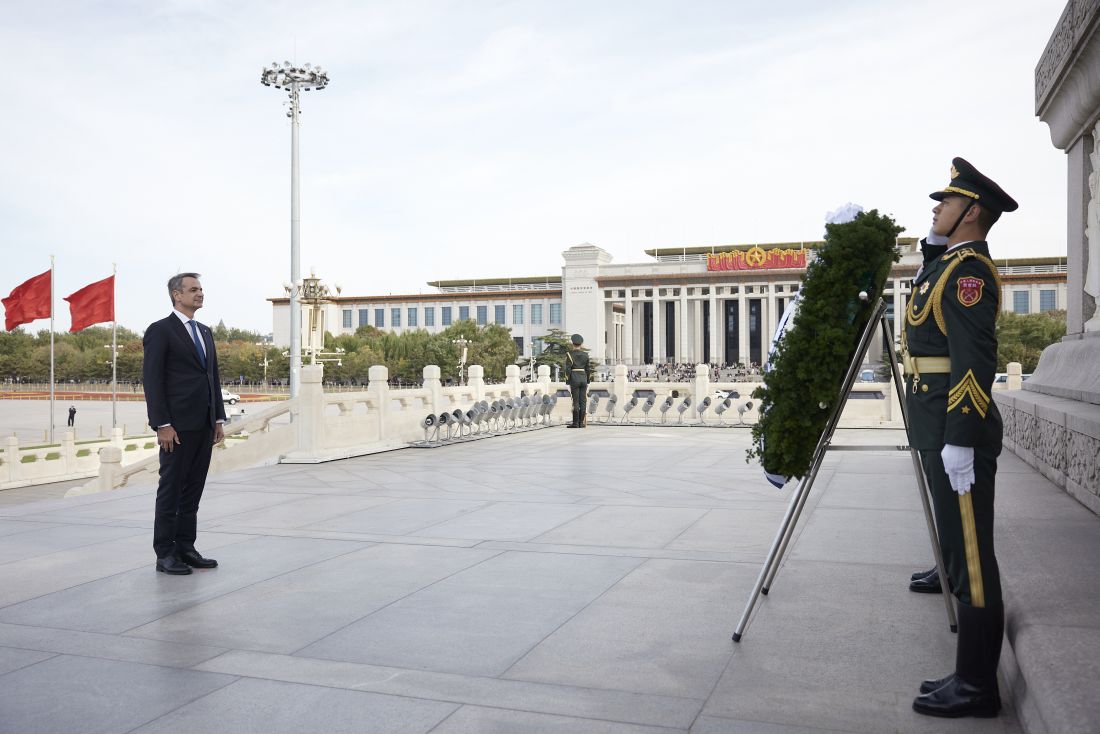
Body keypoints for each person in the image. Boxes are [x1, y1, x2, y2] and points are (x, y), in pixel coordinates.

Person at [903, 158, 1017, 718]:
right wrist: (932, 240)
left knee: (973, 555)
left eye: (945, 203)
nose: (935, 207)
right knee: (957, 535)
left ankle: (977, 685)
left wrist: (962, 437)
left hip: (955, 423)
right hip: (936, 418)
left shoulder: (970, 274)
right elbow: (931, 290)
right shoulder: (951, 264)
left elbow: (975, 358)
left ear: (972, 211)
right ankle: (972, 676)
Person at [142, 273, 226, 575]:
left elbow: (211, 377)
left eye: (201, 289)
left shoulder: (204, 331)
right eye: (193, 289)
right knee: (171, 489)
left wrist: (217, 417)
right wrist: (161, 423)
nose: (200, 294)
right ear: (177, 295)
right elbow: (152, 380)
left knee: (193, 489)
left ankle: (186, 547)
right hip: (175, 426)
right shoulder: (160, 331)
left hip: (203, 424)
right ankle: (164, 553)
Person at [565, 333, 589, 428]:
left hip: (574, 379)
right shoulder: (585, 355)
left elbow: (567, 370)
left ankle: (575, 423)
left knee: (575, 401)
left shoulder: (569, 354)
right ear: (581, 344)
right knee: (583, 401)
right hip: (583, 378)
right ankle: (581, 422)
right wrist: (588, 381)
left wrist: (567, 381)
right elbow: (588, 369)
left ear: (573, 344)